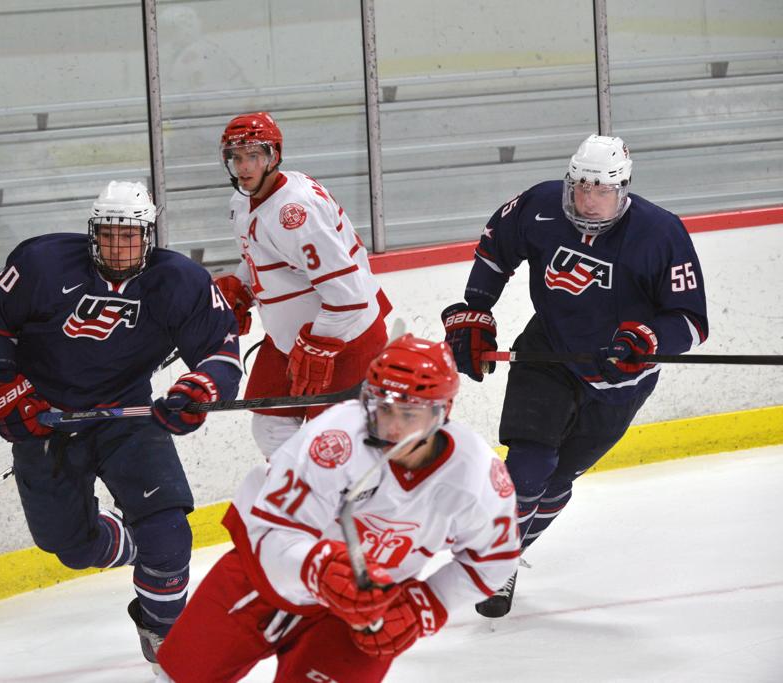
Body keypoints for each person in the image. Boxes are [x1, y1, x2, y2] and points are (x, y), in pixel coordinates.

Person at [0, 180, 243, 671]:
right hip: (45, 422)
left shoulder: (179, 281)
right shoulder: (42, 263)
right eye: (110, 235)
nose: (120, 247)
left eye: (131, 236)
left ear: (149, 236)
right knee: (71, 548)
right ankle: (134, 542)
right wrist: (6, 388)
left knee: (170, 533)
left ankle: (165, 633)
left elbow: (222, 352)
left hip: (127, 417)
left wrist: (200, 388)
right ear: (94, 233)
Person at [441, 134, 709, 618]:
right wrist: (475, 309)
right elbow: (495, 247)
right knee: (528, 467)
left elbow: (691, 321)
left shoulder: (660, 233)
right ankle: (498, 561)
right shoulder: (541, 205)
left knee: (560, 478)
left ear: (623, 189)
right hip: (548, 354)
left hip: (618, 382)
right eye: (580, 186)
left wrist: (647, 340)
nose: (587, 199)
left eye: (600, 190)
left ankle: (509, 547)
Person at [156, 335, 520, 682]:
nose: (392, 426)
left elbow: (493, 560)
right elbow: (274, 531)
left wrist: (426, 604)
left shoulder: (477, 474)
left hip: (364, 613)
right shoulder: (336, 437)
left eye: (409, 414)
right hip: (262, 578)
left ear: (443, 412)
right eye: (384, 408)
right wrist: (318, 567)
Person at [214, 111, 392, 460]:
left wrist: (317, 346)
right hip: (290, 341)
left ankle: (347, 506)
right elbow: (265, 258)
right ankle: (306, 503)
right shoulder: (243, 201)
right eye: (236, 157)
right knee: (270, 425)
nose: (244, 166)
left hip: (345, 342)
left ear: (273, 156)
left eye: (253, 155)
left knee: (339, 445)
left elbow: (349, 296)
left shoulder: (295, 212)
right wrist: (243, 286)